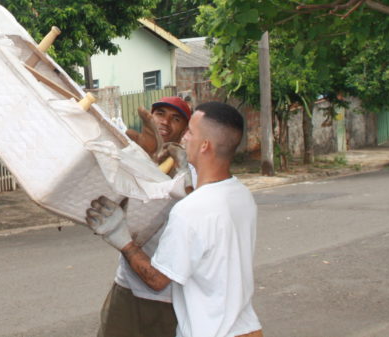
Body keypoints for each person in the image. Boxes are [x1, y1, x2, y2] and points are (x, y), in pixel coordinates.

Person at [88, 102, 262, 337]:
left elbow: (158, 280)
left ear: (205, 145)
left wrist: (121, 239)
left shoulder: (191, 210)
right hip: (246, 329)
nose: (184, 138)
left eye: (189, 131)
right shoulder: (241, 195)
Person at [98, 96, 193, 337]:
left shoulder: (188, 172)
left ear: (185, 130)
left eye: (176, 118)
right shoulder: (134, 157)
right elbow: (113, 204)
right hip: (128, 285)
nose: (165, 121)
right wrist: (142, 160)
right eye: (160, 114)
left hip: (168, 296)